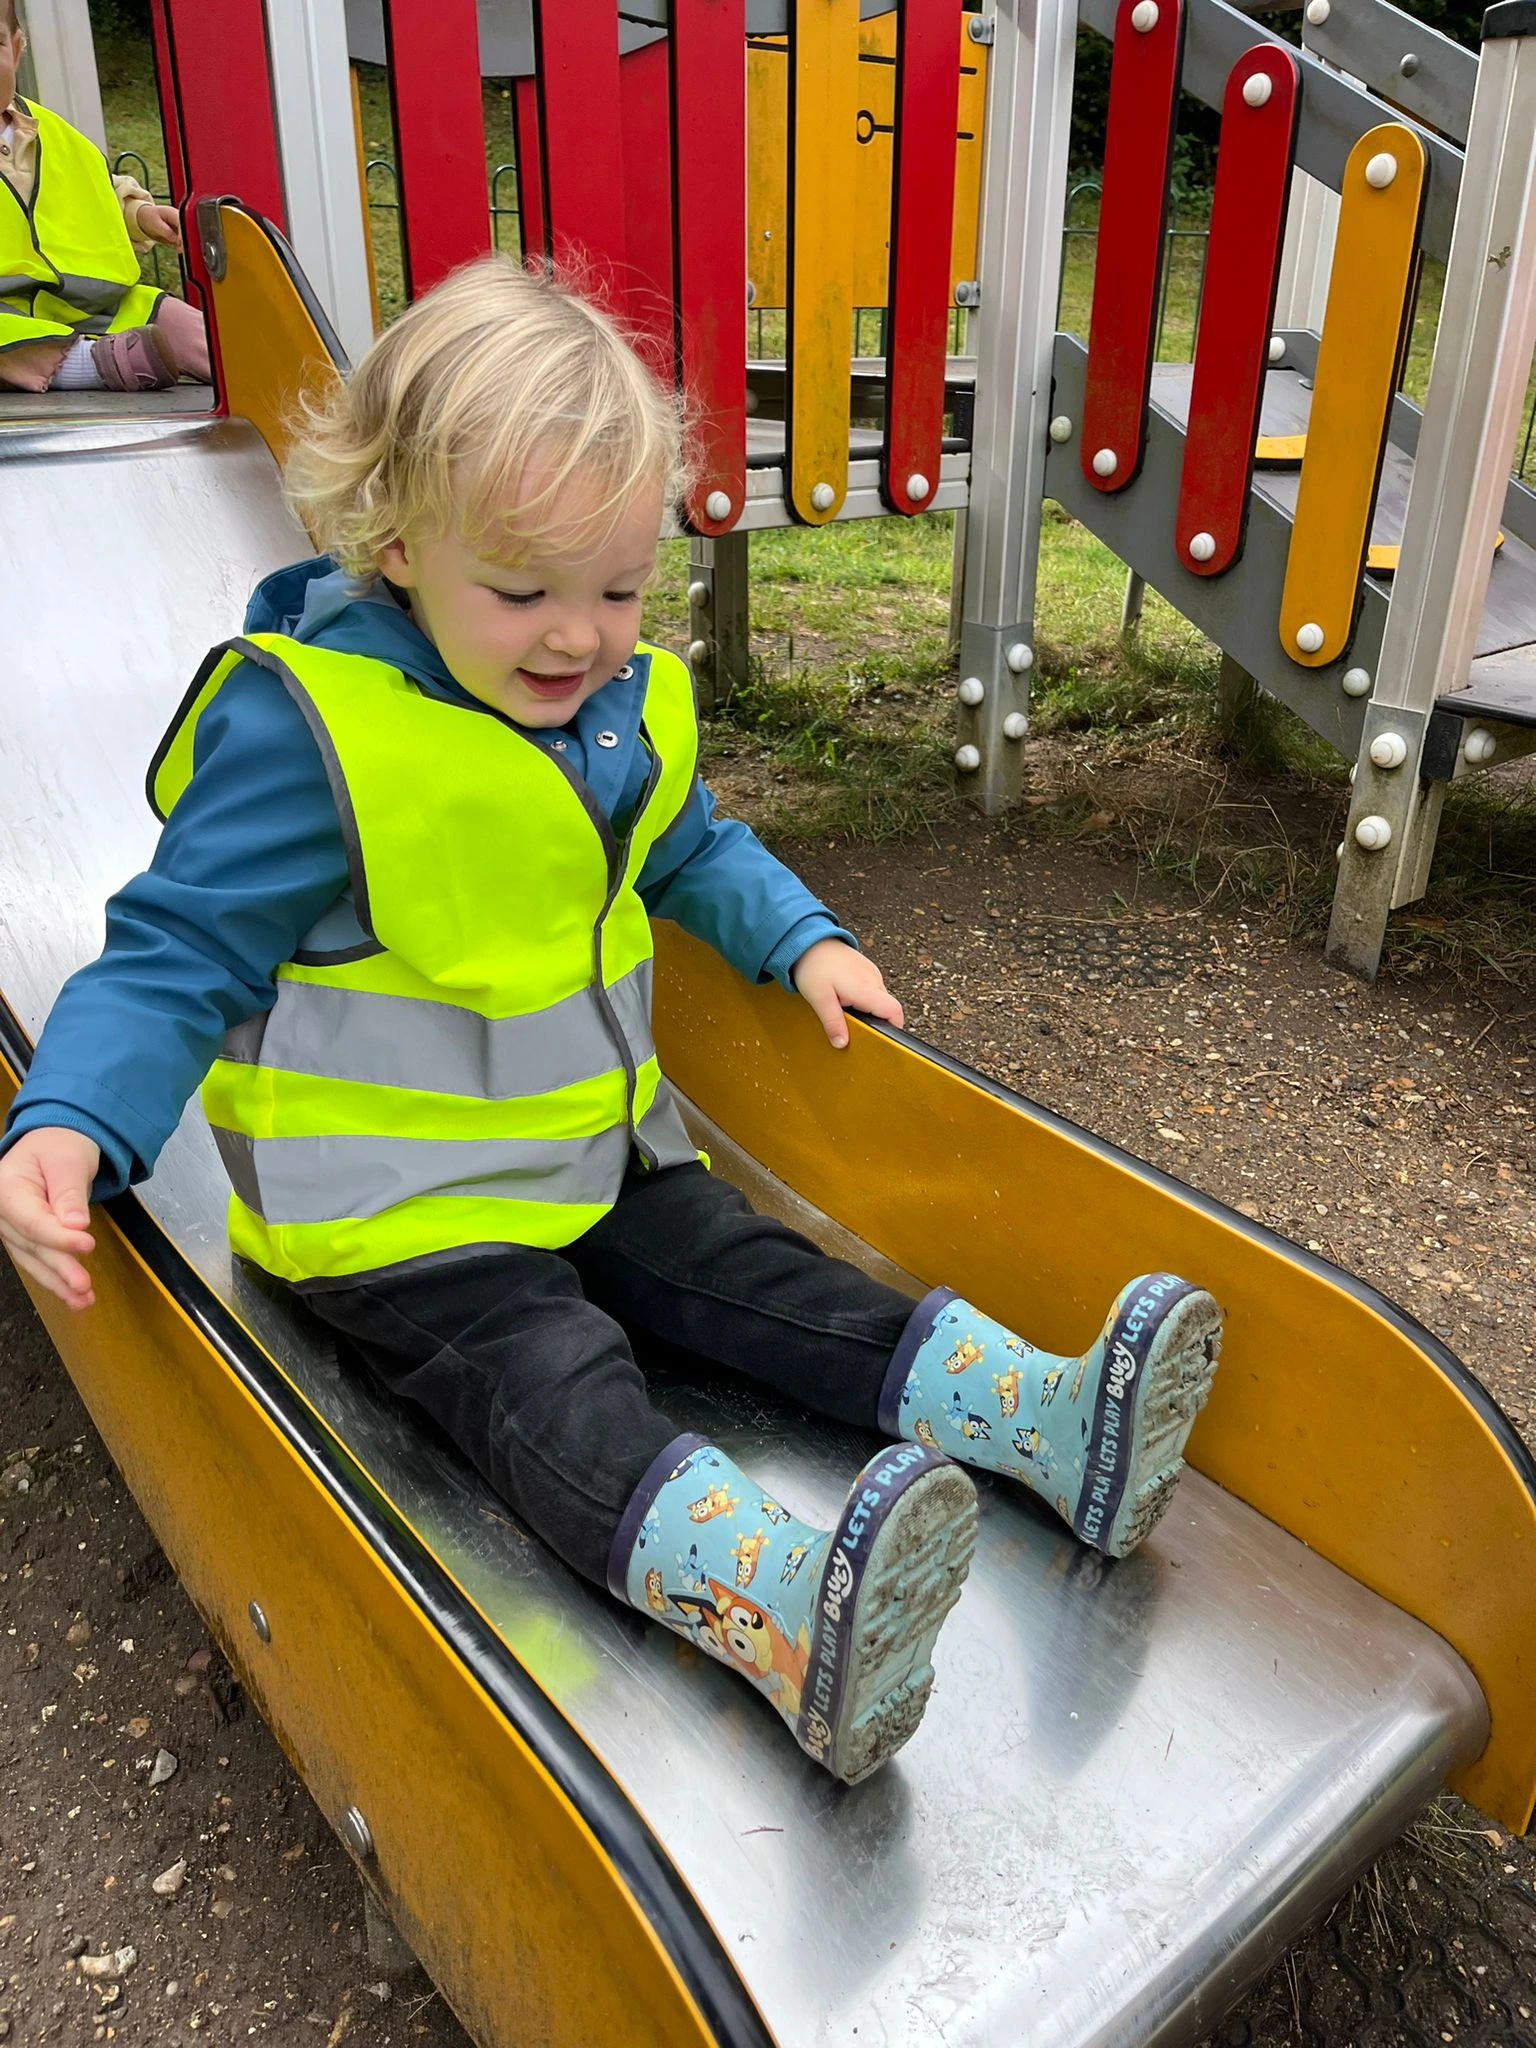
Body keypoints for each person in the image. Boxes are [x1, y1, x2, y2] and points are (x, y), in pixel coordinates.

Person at [0, 257, 1222, 1783]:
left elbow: (691, 843)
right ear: (393, 540)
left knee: (761, 1276)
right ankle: (777, 1605)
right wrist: (72, 1116)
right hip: (403, 1232)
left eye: (621, 588)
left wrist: (800, 941)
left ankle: (1043, 1419)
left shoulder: (610, 704)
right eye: (525, 593)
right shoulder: (311, 738)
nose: (583, 638)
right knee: (550, 1383)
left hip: (595, 1159)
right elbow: (174, 948)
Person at [0, 0, 209, 394]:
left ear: (15, 48)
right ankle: (85, 365)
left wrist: (140, 215)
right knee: (16, 343)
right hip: (8, 317)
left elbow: (97, 189)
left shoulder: (55, 135)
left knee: (189, 328)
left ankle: (254, 363)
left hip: (89, 304)